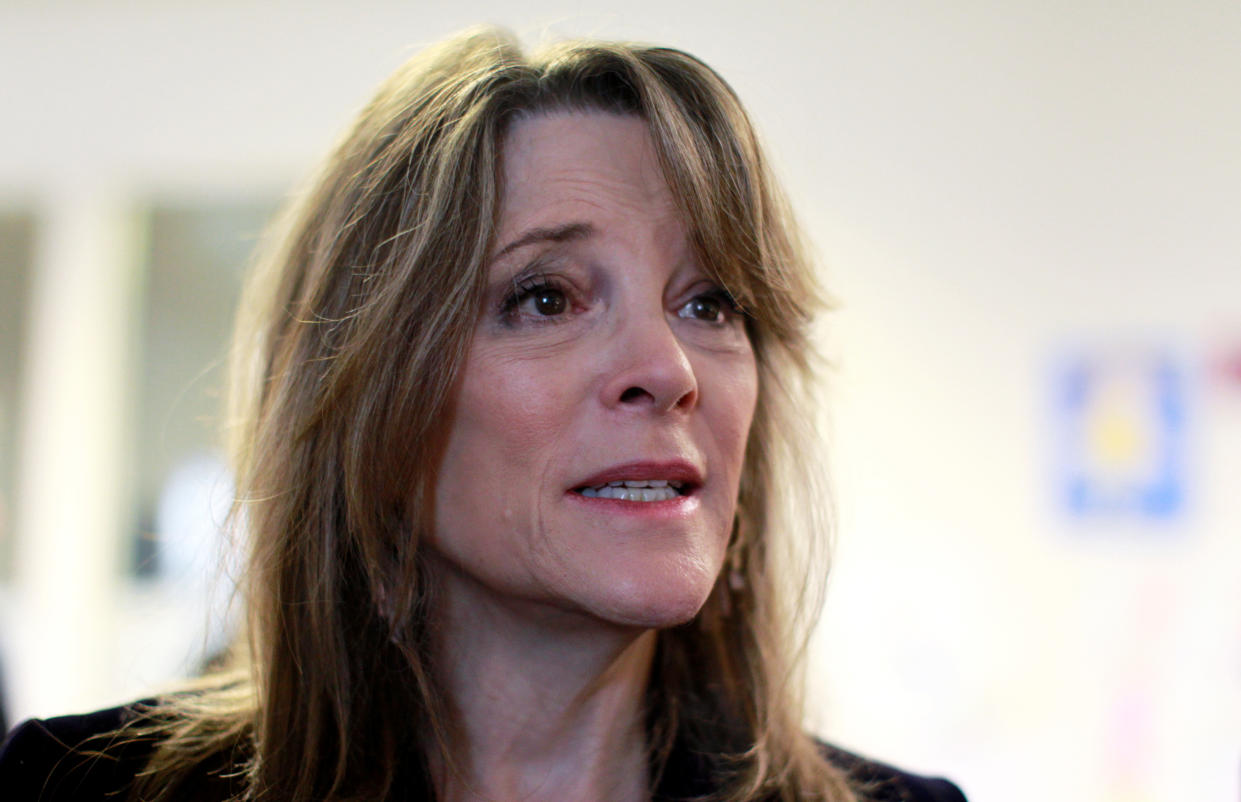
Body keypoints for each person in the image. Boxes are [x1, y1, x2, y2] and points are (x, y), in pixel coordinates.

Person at [0, 27, 968, 802]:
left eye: (708, 302)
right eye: (545, 297)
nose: (667, 369)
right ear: (371, 389)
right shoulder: (83, 786)